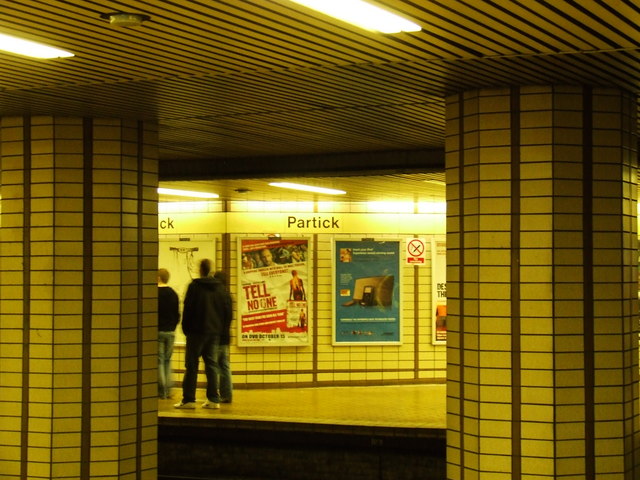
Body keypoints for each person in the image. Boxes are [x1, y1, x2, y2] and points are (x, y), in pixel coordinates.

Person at [174, 259, 232, 410]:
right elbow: (225, 312)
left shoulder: (194, 286)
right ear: (211, 270)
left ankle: (189, 399)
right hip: (214, 333)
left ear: (200, 270)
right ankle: (213, 399)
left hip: (195, 332)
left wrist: (186, 329)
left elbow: (188, 309)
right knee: (212, 365)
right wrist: (220, 330)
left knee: (192, 366)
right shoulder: (220, 288)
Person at [158, 268, 180, 399]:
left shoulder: (154, 293)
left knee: (159, 361)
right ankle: (169, 389)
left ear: (159, 278)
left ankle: (162, 391)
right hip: (171, 332)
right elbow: (177, 314)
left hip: (158, 331)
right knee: (167, 360)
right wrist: (172, 326)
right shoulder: (173, 294)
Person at [213, 270, 234, 403]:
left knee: (213, 366)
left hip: (215, 336)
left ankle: (214, 395)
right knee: (224, 365)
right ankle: (227, 394)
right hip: (225, 335)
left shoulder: (215, 296)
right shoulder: (228, 295)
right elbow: (229, 317)